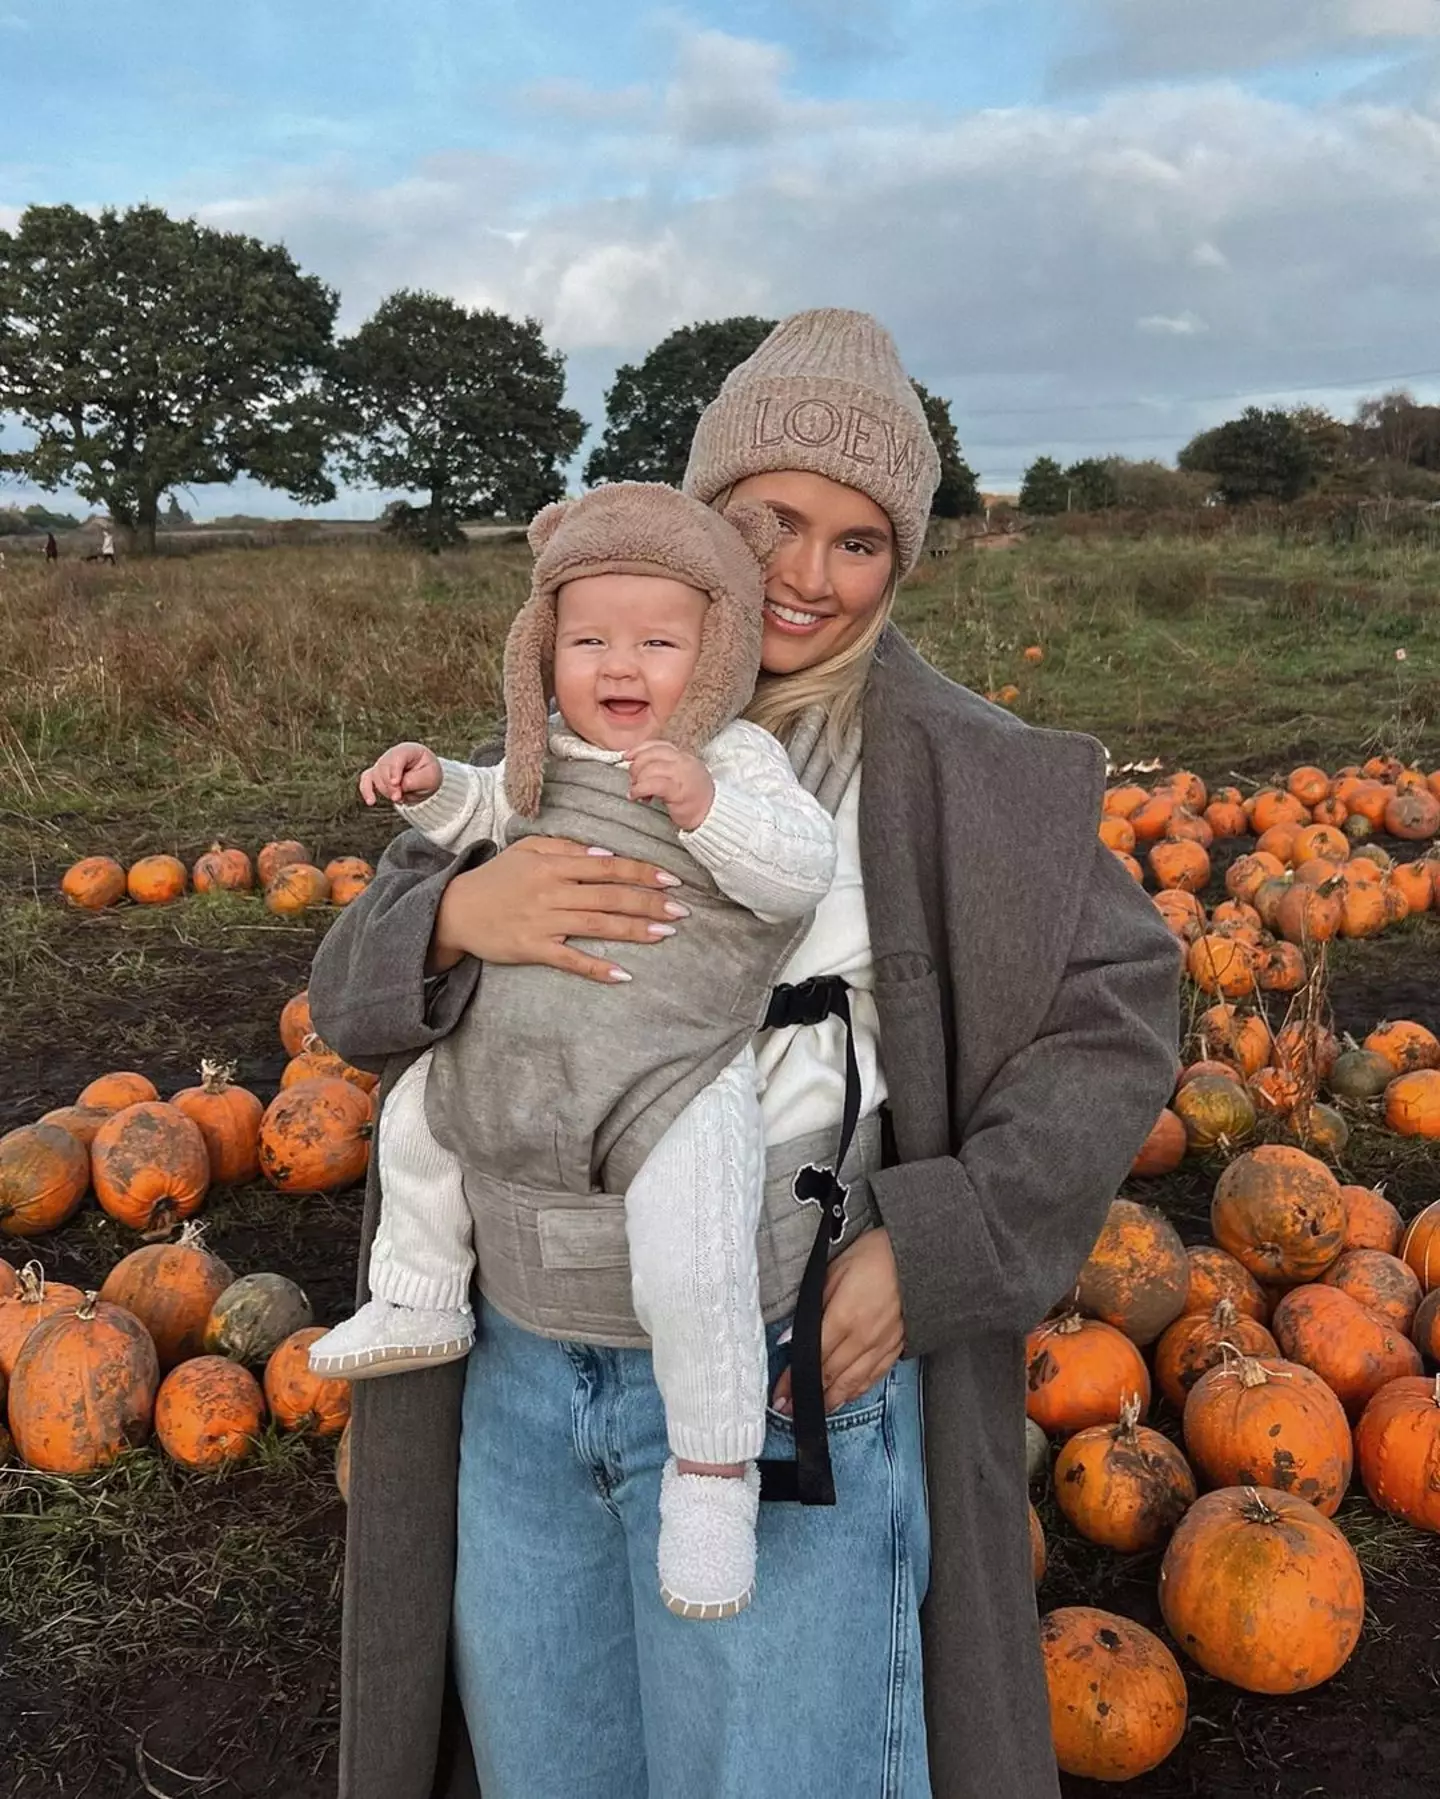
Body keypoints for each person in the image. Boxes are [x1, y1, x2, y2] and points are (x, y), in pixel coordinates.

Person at [308, 308, 1181, 1799]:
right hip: (526, 1365)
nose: (805, 573)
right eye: (772, 518)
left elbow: (1123, 1010)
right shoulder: (580, 712)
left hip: (783, 1379)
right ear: (704, 512)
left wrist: (935, 1242)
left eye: (860, 542)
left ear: (900, 562)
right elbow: (351, 997)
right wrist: (454, 913)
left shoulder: (961, 770)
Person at [307, 482, 838, 1619]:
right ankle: (419, 1291)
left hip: (669, 1072)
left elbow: (798, 867)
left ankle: (710, 1472)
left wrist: (705, 808)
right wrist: (430, 784)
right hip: (516, 1057)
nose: (620, 665)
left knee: (694, 1257)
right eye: (588, 638)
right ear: (541, 652)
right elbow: (481, 811)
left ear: (717, 652)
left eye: (658, 640)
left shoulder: (736, 756)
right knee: (416, 1114)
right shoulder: (541, 755)